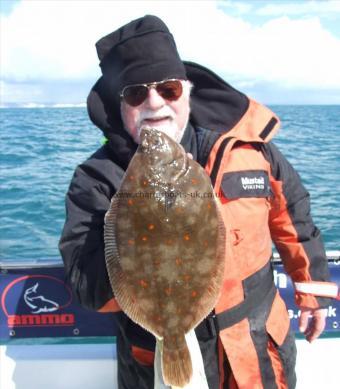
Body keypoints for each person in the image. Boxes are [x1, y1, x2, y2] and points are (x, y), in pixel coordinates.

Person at [59, 15, 334, 389]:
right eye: (136, 93)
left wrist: (311, 288)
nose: (154, 102)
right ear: (119, 104)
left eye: (168, 88)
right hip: (154, 357)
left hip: (255, 350)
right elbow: (86, 285)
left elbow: (294, 217)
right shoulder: (97, 178)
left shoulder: (248, 150)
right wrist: (142, 249)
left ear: (186, 91)